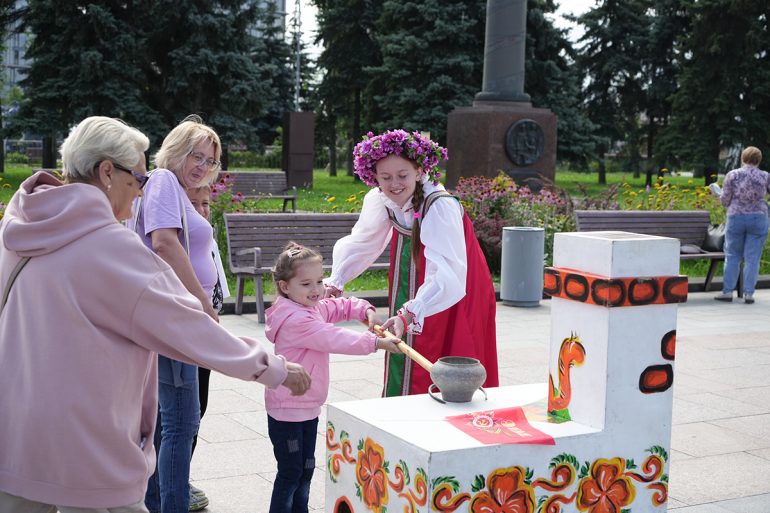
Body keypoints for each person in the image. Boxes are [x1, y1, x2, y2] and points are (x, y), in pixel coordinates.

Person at [0, 116, 310, 513]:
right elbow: (186, 326)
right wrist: (275, 368)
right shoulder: (111, 247)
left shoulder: (21, 227)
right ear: (107, 172)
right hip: (88, 446)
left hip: (15, 437)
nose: (142, 193)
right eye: (140, 179)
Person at [325, 129, 499, 397]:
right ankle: (402, 404)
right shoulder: (381, 199)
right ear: (374, 178)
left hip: (456, 284)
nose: (394, 184)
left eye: (402, 175)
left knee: (448, 346)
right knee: (405, 344)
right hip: (411, 277)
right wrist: (337, 280)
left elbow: (447, 271)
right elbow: (364, 241)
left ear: (419, 171)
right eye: (385, 177)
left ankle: (446, 412)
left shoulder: (439, 205)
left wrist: (411, 313)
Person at [265, 242, 399, 513]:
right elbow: (335, 338)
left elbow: (338, 306)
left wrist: (363, 310)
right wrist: (376, 342)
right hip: (287, 409)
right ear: (284, 287)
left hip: (307, 406)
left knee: (305, 470)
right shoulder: (295, 319)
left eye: (319, 281)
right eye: (306, 284)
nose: (316, 290)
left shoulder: (310, 306)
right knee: (291, 473)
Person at [132, 115, 223, 513]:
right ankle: (172, 504)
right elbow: (165, 243)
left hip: (178, 315)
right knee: (183, 422)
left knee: (169, 423)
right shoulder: (165, 181)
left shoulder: (173, 189)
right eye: (195, 155)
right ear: (175, 151)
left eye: (210, 161)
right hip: (178, 316)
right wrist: (202, 307)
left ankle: (158, 501)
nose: (202, 166)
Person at [185, 183, 229, 505]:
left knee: (199, 407)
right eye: (194, 204)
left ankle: (181, 475)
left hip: (207, 335)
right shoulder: (177, 241)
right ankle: (172, 481)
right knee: (183, 413)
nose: (202, 210)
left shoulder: (205, 238)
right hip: (187, 337)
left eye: (205, 204)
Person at [714, 146, 770, 304]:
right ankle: (749, 294)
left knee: (732, 255)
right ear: (759, 160)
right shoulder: (765, 176)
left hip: (736, 217)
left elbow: (725, 201)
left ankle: (727, 292)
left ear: (742, 158)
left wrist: (718, 194)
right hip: (759, 218)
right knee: (753, 258)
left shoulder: (733, 175)